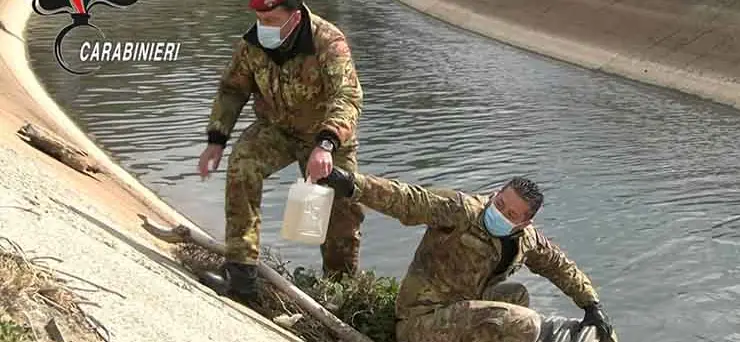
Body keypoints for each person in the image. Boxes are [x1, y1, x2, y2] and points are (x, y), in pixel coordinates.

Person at [318, 167, 618, 342]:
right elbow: (406, 199)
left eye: (511, 213)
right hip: (421, 321)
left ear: (524, 222)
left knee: (517, 295)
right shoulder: (460, 211)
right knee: (523, 321)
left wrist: (591, 304)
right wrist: (352, 184)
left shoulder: (526, 240)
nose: (499, 213)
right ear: (496, 193)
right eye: (499, 203)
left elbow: (559, 266)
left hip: (462, 314)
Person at [196, 0, 365, 303]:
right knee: (243, 163)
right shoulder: (253, 43)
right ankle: (241, 276)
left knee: (341, 215)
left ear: (295, 16)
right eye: (259, 17)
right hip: (278, 129)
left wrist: (326, 143)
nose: (264, 25)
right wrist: (216, 140)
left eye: (272, 18)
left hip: (326, 137)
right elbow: (232, 90)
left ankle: (342, 296)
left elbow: (348, 97)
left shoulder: (328, 42)